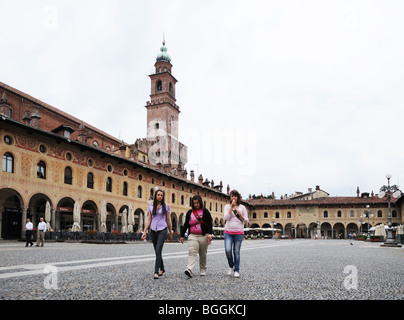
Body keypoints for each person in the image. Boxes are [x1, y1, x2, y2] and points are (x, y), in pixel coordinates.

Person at [141, 189, 173, 279]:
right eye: (158, 195)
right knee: (157, 251)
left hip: (162, 230)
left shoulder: (166, 206)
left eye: (161, 195)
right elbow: (149, 220)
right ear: (155, 196)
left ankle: (156, 271)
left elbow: (168, 220)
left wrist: (170, 232)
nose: (160, 196)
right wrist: (144, 231)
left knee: (158, 250)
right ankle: (162, 268)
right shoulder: (151, 207)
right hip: (153, 231)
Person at [180, 195, 213, 278]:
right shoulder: (190, 212)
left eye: (197, 203)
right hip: (192, 235)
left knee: (203, 254)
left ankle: (203, 269)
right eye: (194, 203)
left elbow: (209, 223)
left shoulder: (205, 211)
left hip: (203, 236)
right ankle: (189, 269)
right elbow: (186, 224)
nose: (196, 204)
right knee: (192, 252)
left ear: (200, 202)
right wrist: (182, 235)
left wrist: (210, 233)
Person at [223, 190, 249, 278]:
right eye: (231, 196)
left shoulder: (243, 207)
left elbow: (246, 220)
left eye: (235, 196)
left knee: (236, 252)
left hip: (239, 232)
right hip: (228, 232)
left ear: (238, 197)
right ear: (230, 198)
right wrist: (231, 208)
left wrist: (238, 211)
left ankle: (236, 270)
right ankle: (231, 266)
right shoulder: (227, 207)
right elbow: (226, 217)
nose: (233, 197)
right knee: (228, 250)